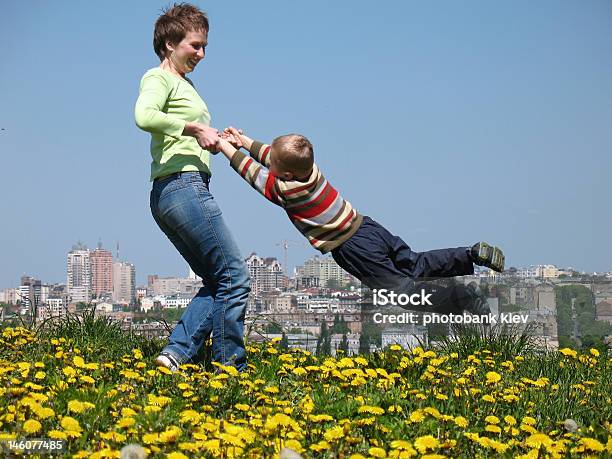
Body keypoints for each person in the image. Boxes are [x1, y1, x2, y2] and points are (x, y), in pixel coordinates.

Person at [215, 128, 505, 315]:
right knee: (414, 262)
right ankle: (469, 255)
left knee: (402, 294)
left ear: (286, 176)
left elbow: (253, 174)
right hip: (368, 227)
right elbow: (272, 157)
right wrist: (244, 141)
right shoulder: (311, 171)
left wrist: (225, 146)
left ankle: (463, 299)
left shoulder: (287, 191)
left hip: (352, 248)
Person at [134, 4, 249, 372]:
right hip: (183, 186)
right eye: (195, 45)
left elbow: (186, 131)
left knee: (219, 280)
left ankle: (175, 355)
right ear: (170, 43)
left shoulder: (186, 86)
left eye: (204, 47)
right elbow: (144, 116)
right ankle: (230, 368)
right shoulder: (158, 78)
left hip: (175, 190)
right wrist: (196, 129)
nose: (201, 54)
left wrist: (218, 137)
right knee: (235, 276)